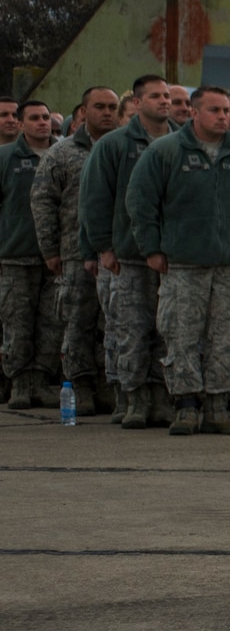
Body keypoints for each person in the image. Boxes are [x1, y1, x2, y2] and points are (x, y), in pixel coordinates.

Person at [124, 85, 230, 436]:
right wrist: (152, 249)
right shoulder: (166, 151)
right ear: (194, 112)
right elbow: (141, 203)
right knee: (181, 334)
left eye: (227, 111)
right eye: (216, 111)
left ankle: (218, 407)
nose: (223, 117)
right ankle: (186, 405)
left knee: (226, 337)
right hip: (184, 264)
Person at [79, 74, 176, 428]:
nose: (164, 101)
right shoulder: (115, 144)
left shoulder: (183, 142)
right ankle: (133, 398)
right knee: (130, 331)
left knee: (167, 333)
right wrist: (103, 246)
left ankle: (162, 398)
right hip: (128, 256)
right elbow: (94, 200)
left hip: (173, 258)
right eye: (155, 96)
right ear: (136, 103)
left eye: (167, 95)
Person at [31, 86, 119, 415]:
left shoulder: (123, 148)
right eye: (99, 107)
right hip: (73, 254)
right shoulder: (63, 152)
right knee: (77, 321)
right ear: (83, 112)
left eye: (112, 106)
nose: (107, 112)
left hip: (116, 253)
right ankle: (80, 384)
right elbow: (42, 202)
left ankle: (106, 381)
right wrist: (50, 250)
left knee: (111, 323)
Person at [1, 99, 61, 408]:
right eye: (35, 118)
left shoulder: (62, 154)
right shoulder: (6, 157)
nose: (42, 123)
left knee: (51, 324)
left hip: (57, 258)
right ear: (22, 124)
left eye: (46, 117)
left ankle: (41, 381)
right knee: (17, 323)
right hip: (15, 255)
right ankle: (19, 383)